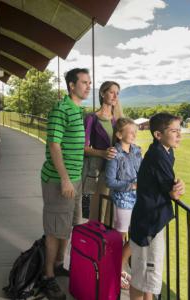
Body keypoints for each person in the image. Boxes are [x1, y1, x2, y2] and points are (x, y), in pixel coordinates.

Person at [40, 68, 91, 300]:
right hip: (60, 180)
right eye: (84, 82)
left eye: (90, 82)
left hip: (75, 179)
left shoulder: (77, 110)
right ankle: (48, 277)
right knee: (54, 230)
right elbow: (54, 145)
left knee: (68, 226)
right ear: (72, 85)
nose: (88, 86)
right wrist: (64, 179)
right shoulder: (61, 109)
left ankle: (59, 264)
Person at [129, 112, 185, 300]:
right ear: (158, 135)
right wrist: (177, 188)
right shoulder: (158, 156)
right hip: (149, 224)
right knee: (142, 278)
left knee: (147, 278)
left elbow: (170, 185)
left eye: (180, 130)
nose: (179, 135)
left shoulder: (165, 152)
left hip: (149, 221)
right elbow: (173, 192)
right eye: (174, 131)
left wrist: (176, 185)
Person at [105, 118, 142, 290]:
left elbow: (141, 172)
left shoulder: (136, 150)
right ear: (120, 134)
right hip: (123, 200)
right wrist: (131, 185)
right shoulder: (114, 154)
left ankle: (118, 268)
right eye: (131, 131)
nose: (134, 134)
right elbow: (110, 181)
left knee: (136, 235)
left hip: (138, 198)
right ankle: (114, 271)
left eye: (135, 131)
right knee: (120, 237)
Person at [84, 81, 124, 224]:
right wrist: (103, 153)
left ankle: (112, 245)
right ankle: (96, 243)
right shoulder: (91, 118)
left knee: (116, 216)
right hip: (101, 172)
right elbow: (84, 148)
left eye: (117, 93)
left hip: (120, 173)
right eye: (112, 92)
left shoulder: (118, 119)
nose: (115, 96)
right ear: (102, 93)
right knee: (99, 213)